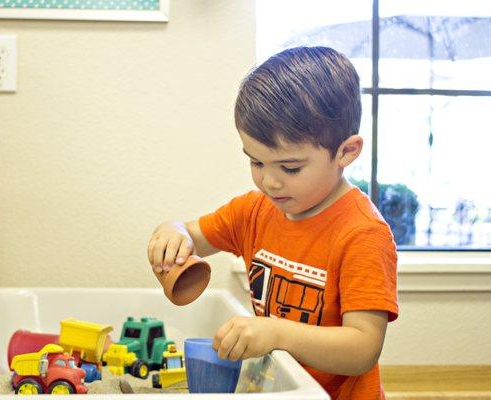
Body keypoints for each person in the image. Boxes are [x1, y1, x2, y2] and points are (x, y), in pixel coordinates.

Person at [147, 46, 398, 400]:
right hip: (283, 387)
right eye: (256, 162)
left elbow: (363, 348)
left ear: (346, 152)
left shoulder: (363, 234)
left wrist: (276, 333)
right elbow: (190, 233)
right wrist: (171, 232)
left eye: (290, 168)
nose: (269, 182)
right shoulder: (255, 211)